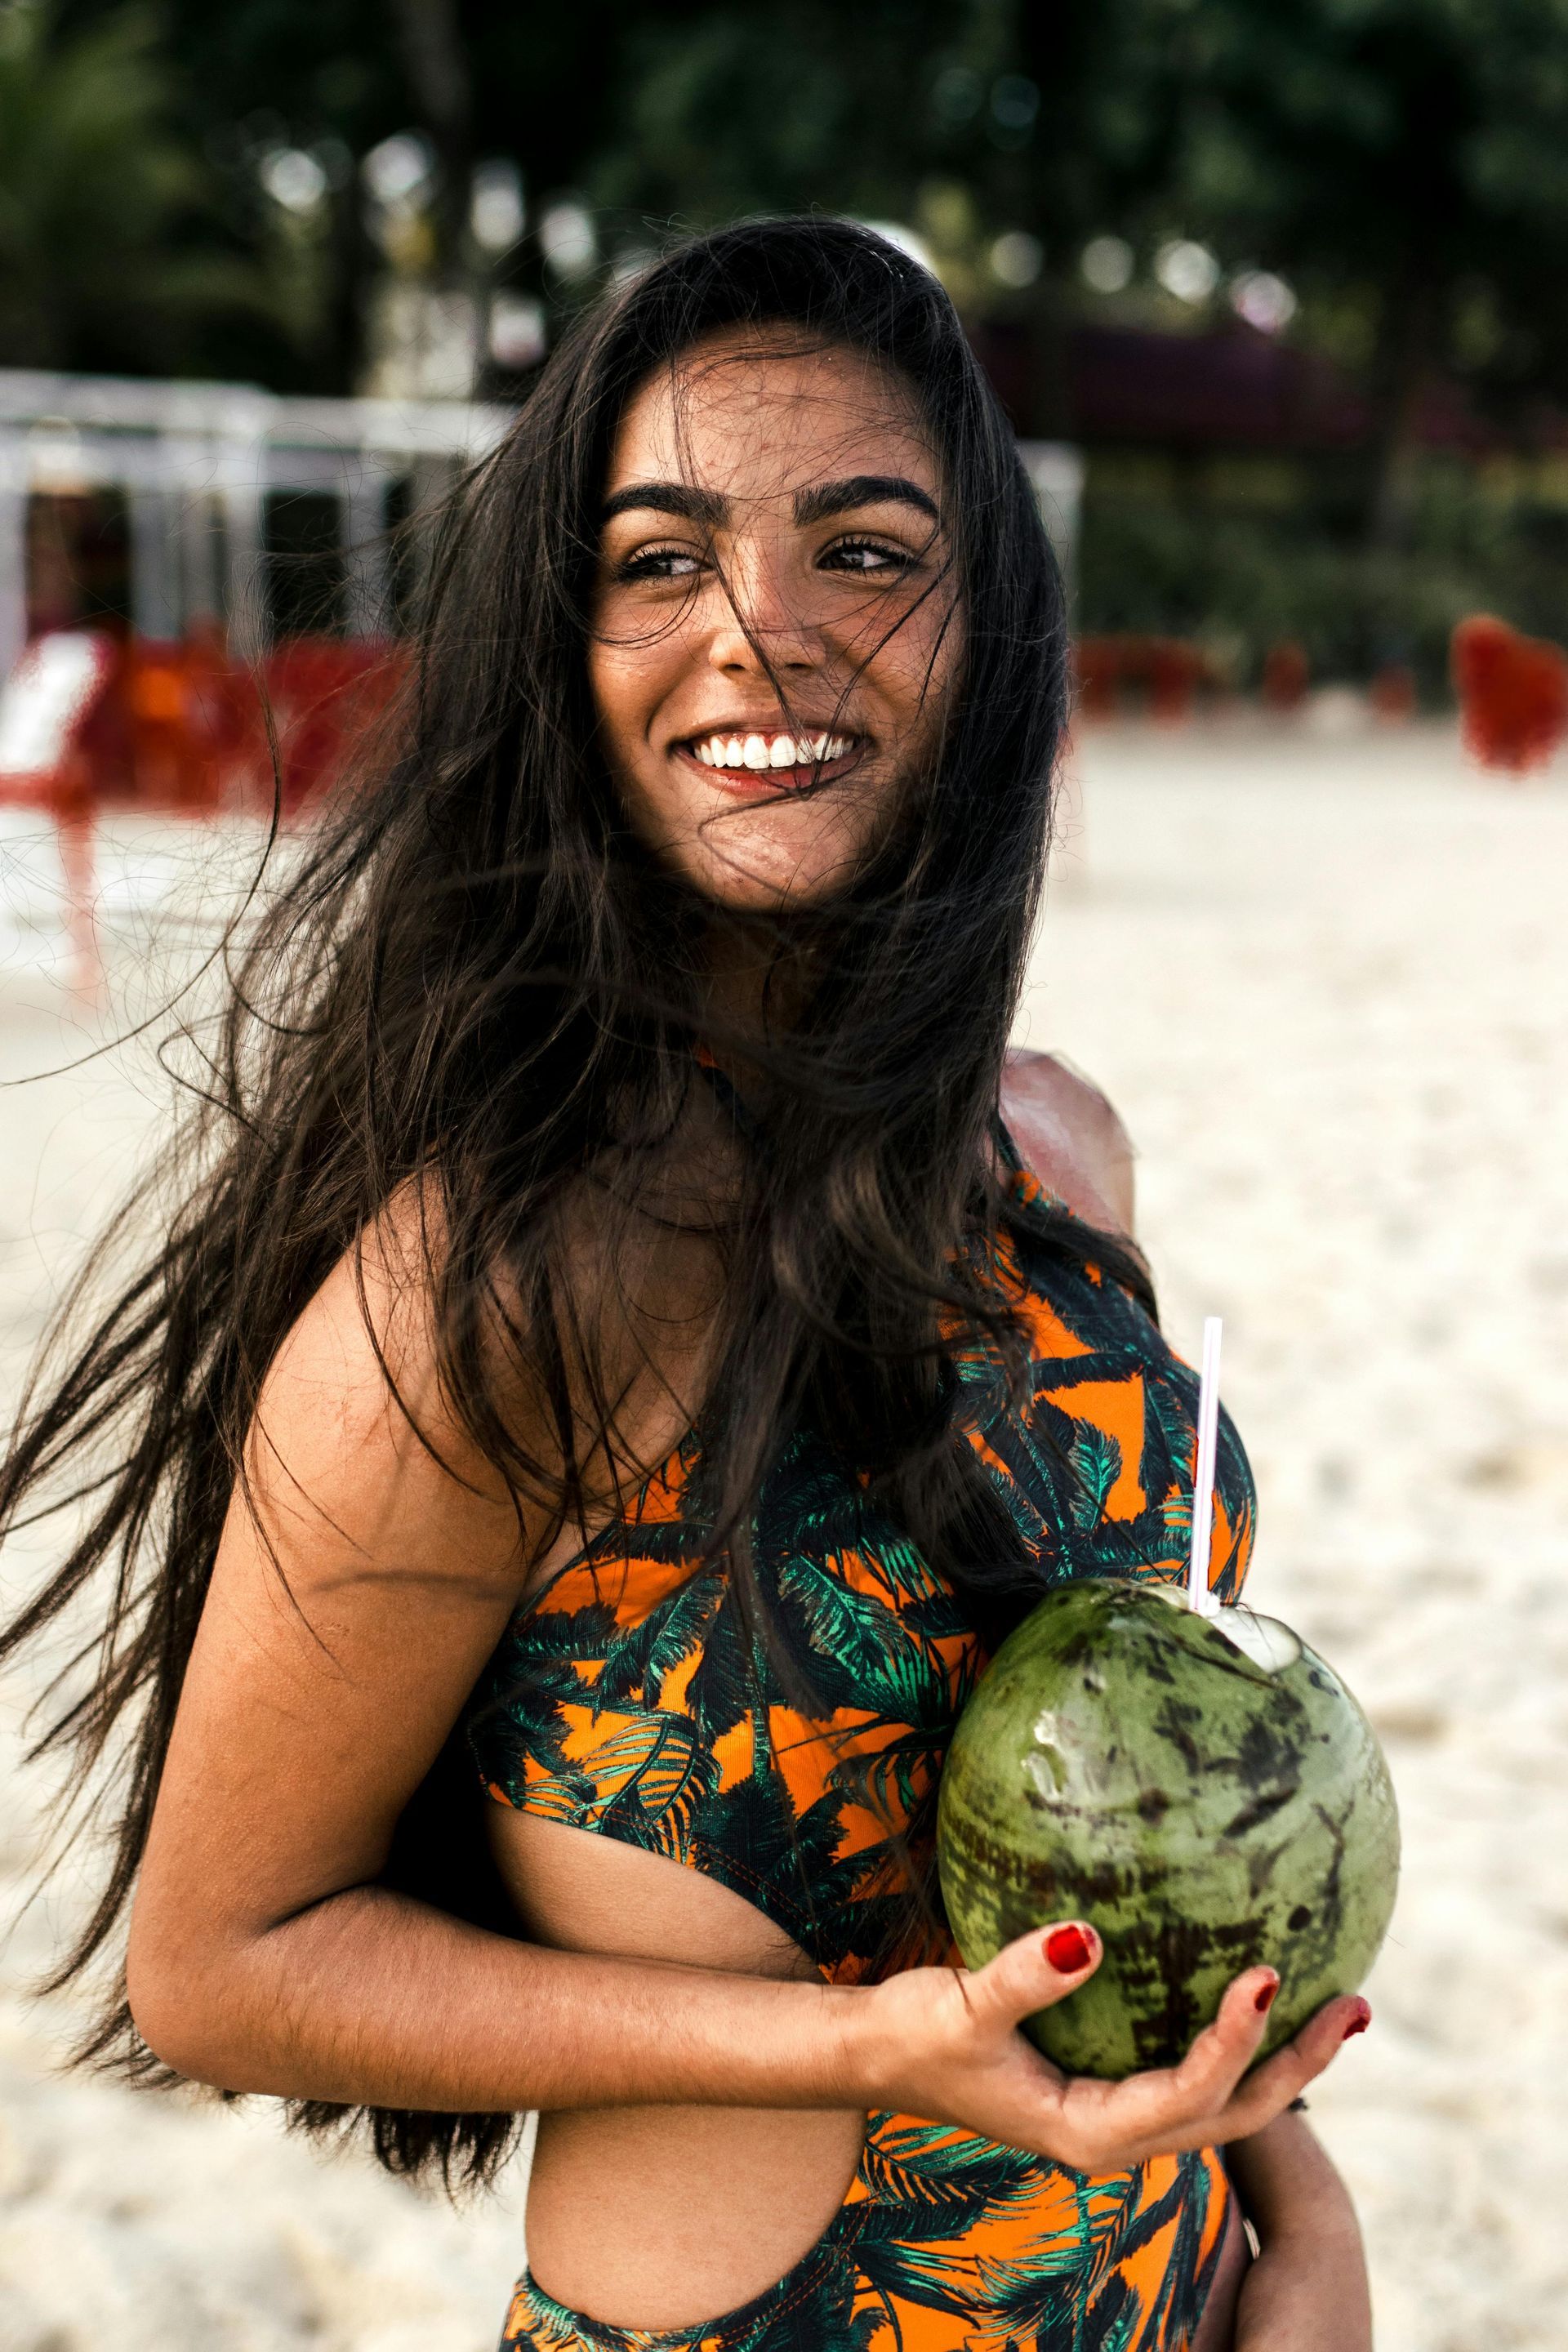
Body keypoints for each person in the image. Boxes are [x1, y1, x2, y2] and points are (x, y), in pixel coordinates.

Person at [0, 219, 1374, 2352]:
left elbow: (1142, 1788)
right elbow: (228, 1956)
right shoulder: (501, 1283)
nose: (758, 632)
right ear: (568, 646)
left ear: (989, 623)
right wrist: (859, 2049)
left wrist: (1301, 2209)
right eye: (659, 559)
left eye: (864, 550)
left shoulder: (1060, 1157)